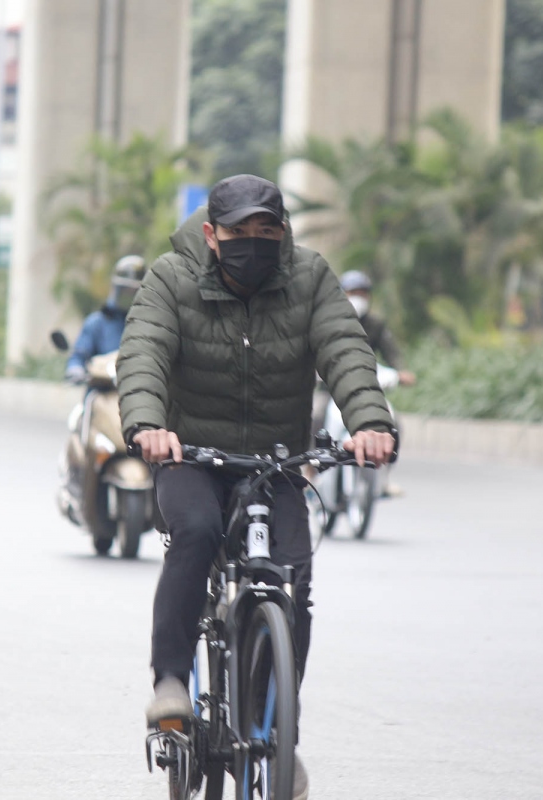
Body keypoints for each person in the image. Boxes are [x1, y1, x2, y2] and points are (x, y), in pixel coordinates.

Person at [117, 174, 397, 800]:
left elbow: (345, 349)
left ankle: (276, 727)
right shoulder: (171, 277)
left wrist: (370, 422)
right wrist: (148, 425)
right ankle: (171, 682)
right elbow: (144, 352)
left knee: (292, 581)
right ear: (212, 236)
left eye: (266, 231)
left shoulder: (310, 278)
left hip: (275, 461)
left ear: (283, 232)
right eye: (240, 232)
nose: (254, 243)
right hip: (191, 454)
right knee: (195, 533)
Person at [64, 255, 145, 383]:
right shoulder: (97, 323)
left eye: (133, 291)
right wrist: (75, 369)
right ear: (116, 289)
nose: (129, 295)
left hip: (139, 393)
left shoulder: (149, 325)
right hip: (103, 392)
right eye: (125, 290)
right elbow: (79, 355)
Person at [339, 270, 416, 385]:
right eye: (354, 293)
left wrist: (401, 371)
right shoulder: (330, 322)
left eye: (362, 294)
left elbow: (390, 351)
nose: (358, 298)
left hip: (366, 382)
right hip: (331, 386)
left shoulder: (375, 325)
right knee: (317, 403)